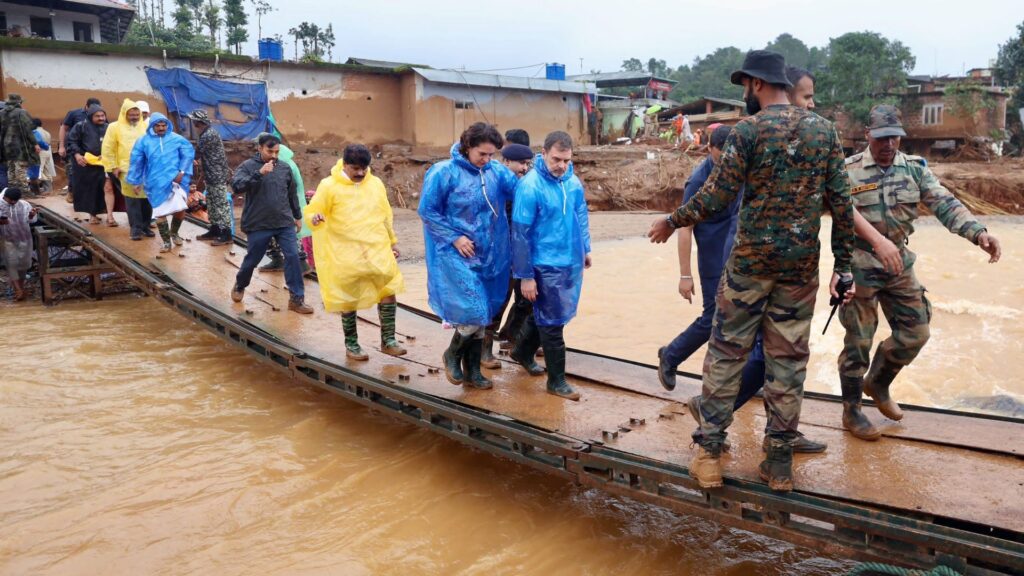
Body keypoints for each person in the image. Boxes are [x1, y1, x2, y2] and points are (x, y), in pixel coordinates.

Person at [647, 50, 855, 492]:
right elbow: (842, 206)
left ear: (756, 84)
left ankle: (709, 457)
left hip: (748, 267)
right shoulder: (825, 133)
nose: (746, 93)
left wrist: (673, 220)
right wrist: (846, 268)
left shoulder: (747, 131)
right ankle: (778, 464)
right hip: (799, 270)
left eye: (746, 86)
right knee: (788, 361)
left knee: (726, 354)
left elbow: (717, 197)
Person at [837, 104, 1002, 439]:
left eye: (895, 137)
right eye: (882, 138)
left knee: (917, 332)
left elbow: (945, 203)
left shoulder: (913, 170)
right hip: (860, 264)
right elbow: (830, 218)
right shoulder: (847, 171)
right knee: (858, 341)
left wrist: (978, 233)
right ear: (868, 135)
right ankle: (852, 411)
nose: (889, 145)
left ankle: (878, 383)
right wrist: (838, 269)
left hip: (898, 263)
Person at [419, 122, 518, 390]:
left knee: (484, 314)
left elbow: (522, 191)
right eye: (481, 154)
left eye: (491, 155)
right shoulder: (443, 172)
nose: (486, 160)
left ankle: (473, 372)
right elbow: (428, 211)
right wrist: (455, 237)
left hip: (489, 254)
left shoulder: (495, 171)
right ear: (467, 147)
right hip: (455, 253)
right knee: (473, 310)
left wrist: (546, 173)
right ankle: (452, 353)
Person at [510, 131, 592, 401]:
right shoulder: (530, 186)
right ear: (543, 154)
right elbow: (520, 233)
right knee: (553, 323)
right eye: (556, 159)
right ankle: (556, 381)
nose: (562, 165)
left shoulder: (572, 183)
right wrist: (525, 276)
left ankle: (522, 350)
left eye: (567, 160)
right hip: (542, 264)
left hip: (568, 260)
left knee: (548, 314)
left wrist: (585, 249)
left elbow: (580, 216)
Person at [305, 144, 405, 359]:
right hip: (345, 250)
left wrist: (392, 242)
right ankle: (352, 344)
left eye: (364, 168)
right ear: (345, 164)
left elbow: (385, 215)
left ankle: (388, 340)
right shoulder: (329, 186)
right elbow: (313, 211)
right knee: (348, 296)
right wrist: (314, 218)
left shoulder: (375, 184)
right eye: (355, 168)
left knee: (388, 289)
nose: (360, 173)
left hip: (376, 246)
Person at [230, 133, 313, 315]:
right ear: (259, 148)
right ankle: (240, 284)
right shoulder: (247, 167)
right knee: (253, 259)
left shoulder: (284, 168)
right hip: (258, 222)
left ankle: (296, 299)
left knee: (292, 257)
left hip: (283, 221)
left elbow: (291, 194)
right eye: (270, 151)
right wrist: (259, 174)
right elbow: (236, 186)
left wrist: (298, 216)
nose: (274, 156)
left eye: (277, 152)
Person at [127, 113, 193, 252]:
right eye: (158, 125)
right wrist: (136, 181)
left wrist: (181, 172)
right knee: (160, 212)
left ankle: (174, 233)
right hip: (155, 181)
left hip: (176, 180)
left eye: (164, 125)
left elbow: (188, 154)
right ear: (152, 126)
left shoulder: (177, 139)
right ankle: (166, 242)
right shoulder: (143, 141)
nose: (161, 128)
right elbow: (136, 162)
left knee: (181, 209)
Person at [259, 142, 312, 273]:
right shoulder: (287, 162)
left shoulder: (284, 165)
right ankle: (281, 260)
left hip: (286, 205)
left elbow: (285, 188)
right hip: (286, 205)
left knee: (287, 234)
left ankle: (298, 263)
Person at [101, 99, 150, 240]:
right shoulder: (114, 127)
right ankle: (135, 228)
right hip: (124, 169)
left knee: (146, 199)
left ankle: (146, 226)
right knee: (132, 199)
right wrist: (112, 166)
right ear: (124, 114)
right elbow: (107, 148)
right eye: (131, 115)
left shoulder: (145, 127)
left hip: (145, 169)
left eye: (136, 114)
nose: (134, 117)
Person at [67, 105, 122, 225]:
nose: (101, 118)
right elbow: (72, 141)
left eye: (103, 115)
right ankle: (93, 214)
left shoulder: (109, 127)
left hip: (105, 164)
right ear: (91, 116)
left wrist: (109, 155)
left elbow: (117, 144)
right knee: (92, 190)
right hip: (87, 164)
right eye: (97, 116)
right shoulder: (81, 127)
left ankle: (110, 216)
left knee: (108, 188)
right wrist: (77, 155)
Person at [188, 110, 233, 245]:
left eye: (195, 122)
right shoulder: (206, 133)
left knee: (220, 204)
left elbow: (196, 154)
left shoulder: (208, 135)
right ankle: (215, 229)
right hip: (211, 174)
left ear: (197, 122)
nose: (194, 124)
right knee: (212, 203)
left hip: (217, 175)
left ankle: (226, 234)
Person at [60, 98, 101, 203]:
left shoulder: (100, 115)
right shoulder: (74, 113)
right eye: (92, 108)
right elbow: (63, 128)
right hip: (74, 148)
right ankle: (71, 192)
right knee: (73, 171)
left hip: (92, 150)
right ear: (86, 106)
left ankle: (88, 196)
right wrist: (61, 146)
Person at [0, 187, 38, 301]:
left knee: (24, 264)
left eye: (14, 200)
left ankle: (20, 289)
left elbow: (32, 220)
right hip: (7, 238)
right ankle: (18, 290)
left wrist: (31, 215)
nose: (12, 202)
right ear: (5, 197)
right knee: (11, 263)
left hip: (24, 238)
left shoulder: (24, 205)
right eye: (10, 200)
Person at [0, 94, 40, 196]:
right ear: (19, 102)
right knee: (20, 167)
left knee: (11, 168)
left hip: (6, 145)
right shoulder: (22, 112)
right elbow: (29, 129)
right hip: (19, 145)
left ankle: (12, 191)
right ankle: (24, 191)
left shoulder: (2, 113)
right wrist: (35, 144)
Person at [30, 118, 56, 195]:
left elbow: (38, 142)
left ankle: (37, 190)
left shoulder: (36, 132)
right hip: (47, 151)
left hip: (40, 152)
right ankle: (49, 189)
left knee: (39, 171)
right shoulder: (47, 132)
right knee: (46, 170)